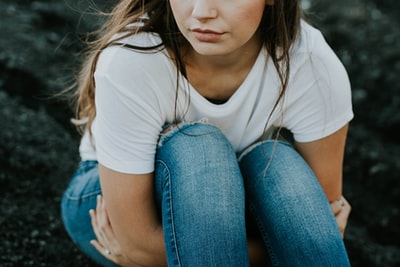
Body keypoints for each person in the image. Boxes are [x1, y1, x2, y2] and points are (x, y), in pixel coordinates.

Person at [61, 0, 354, 266]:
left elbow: (323, 216)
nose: (202, 12)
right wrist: (278, 250)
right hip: (113, 208)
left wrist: (308, 240)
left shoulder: (312, 63)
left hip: (230, 201)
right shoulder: (132, 58)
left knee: (276, 161)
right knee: (201, 148)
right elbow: (138, 245)